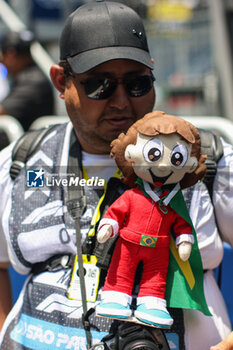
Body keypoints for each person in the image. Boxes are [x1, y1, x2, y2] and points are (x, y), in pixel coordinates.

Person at [0, 1, 232, 349]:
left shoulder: (205, 160)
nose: (122, 101)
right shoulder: (22, 162)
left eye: (137, 83)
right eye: (100, 85)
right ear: (61, 82)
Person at [0, 30, 54, 130]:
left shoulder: (33, 81)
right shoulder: (30, 76)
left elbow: (2, 111)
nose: (2, 62)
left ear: (10, 54)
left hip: (31, 143)